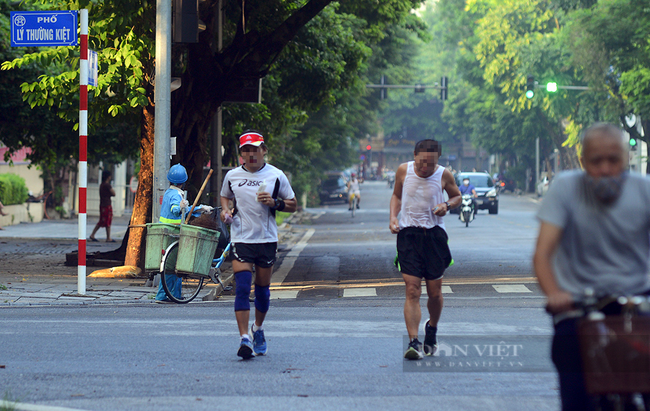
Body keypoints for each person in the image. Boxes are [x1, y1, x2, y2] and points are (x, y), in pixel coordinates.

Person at [533, 123, 650, 410]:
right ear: (583, 162)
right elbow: (542, 255)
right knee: (570, 357)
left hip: (637, 300)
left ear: (626, 160)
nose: (606, 168)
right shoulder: (564, 188)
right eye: (596, 161)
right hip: (578, 305)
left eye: (614, 160)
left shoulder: (644, 190)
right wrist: (555, 294)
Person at [220, 130, 297, 359]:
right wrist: (225, 211)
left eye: (255, 149)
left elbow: (293, 204)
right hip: (241, 238)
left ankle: (258, 328)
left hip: (266, 239)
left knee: (262, 291)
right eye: (246, 150)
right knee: (242, 287)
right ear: (241, 153)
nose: (250, 153)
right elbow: (225, 196)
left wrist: (275, 202)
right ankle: (244, 338)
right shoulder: (233, 175)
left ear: (263, 150)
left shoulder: (276, 175)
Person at [389, 139, 461, 360]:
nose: (425, 168)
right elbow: (397, 196)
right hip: (408, 236)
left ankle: (432, 328)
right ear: (415, 155)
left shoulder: (443, 174)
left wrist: (446, 206)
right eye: (422, 162)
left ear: (437, 160)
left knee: (435, 293)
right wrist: (393, 217)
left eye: (430, 163)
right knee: (412, 290)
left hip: (434, 237)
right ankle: (413, 342)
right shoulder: (404, 170)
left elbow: (457, 197)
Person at [155, 163, 212, 302]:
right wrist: (180, 206)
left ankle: (174, 294)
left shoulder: (169, 192)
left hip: (167, 232)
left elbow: (186, 210)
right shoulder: (175, 194)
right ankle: (164, 295)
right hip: (173, 233)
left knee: (173, 265)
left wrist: (200, 208)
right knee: (174, 266)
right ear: (184, 181)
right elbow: (176, 209)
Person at [89, 170, 116, 242]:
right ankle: (108, 237)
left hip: (102, 205)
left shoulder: (101, 185)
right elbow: (113, 193)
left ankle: (93, 234)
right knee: (108, 220)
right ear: (108, 177)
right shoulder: (107, 185)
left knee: (102, 220)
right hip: (107, 205)